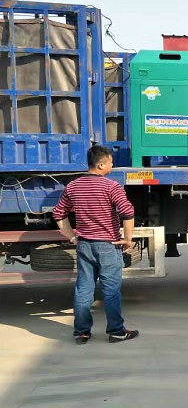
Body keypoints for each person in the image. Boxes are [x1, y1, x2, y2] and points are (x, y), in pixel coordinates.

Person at [52, 145, 139, 345]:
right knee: (110, 291)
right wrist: (128, 238)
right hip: (108, 245)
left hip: (84, 245)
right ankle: (116, 331)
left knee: (83, 289)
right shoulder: (112, 187)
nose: (112, 165)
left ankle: (81, 332)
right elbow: (127, 213)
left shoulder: (73, 186)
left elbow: (58, 214)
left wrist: (73, 238)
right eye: (110, 162)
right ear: (100, 165)